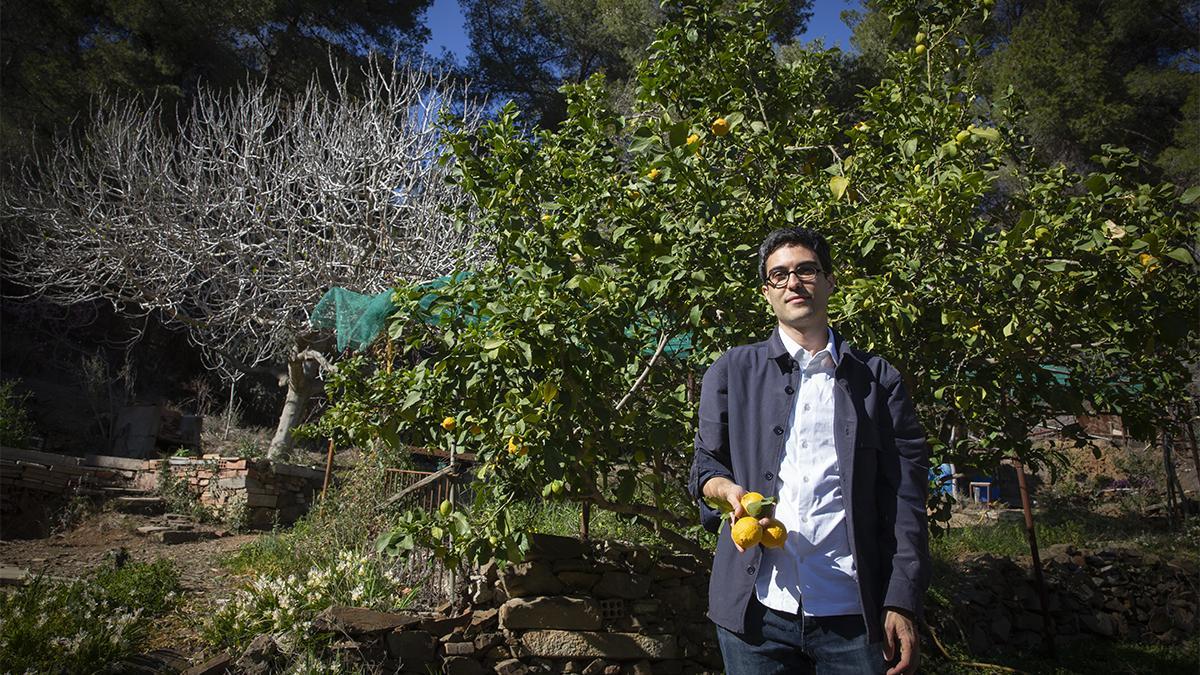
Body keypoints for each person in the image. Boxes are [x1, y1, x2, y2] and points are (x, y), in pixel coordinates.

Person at [689, 227, 931, 675]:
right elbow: (706, 464)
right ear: (766, 292)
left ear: (829, 280)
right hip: (756, 616)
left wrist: (902, 599)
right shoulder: (731, 371)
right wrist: (723, 489)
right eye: (778, 275)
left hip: (853, 615)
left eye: (805, 270)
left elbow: (907, 501)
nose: (793, 283)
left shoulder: (879, 382)